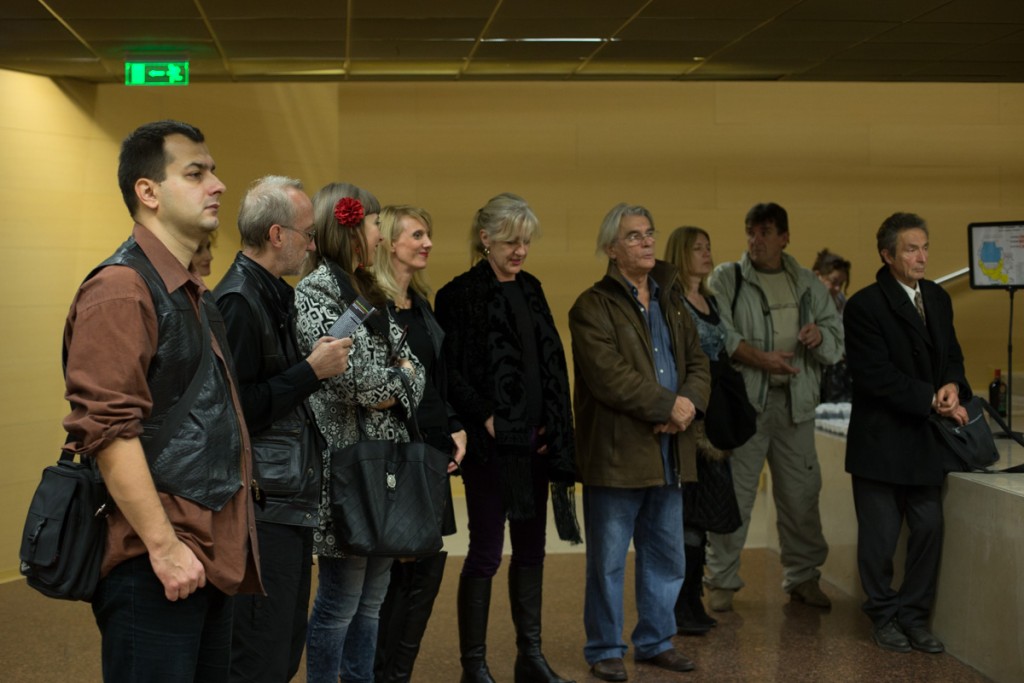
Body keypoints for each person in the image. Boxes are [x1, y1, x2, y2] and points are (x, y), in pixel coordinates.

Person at [62, 119, 261, 681]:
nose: (218, 185)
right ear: (148, 192)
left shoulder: (186, 288)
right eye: (195, 174)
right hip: (155, 559)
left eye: (213, 171)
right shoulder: (121, 288)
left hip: (203, 553)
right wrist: (164, 546)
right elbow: (109, 432)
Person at [434, 192, 580, 683]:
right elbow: (450, 373)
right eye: (511, 241)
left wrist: (554, 424)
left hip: (535, 444)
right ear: (485, 239)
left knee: (533, 550)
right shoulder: (458, 295)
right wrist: (486, 417)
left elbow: (551, 364)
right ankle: (474, 666)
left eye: (526, 242)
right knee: (486, 553)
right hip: (492, 448)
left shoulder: (532, 287)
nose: (520, 251)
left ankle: (529, 657)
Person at [212, 176, 353, 682]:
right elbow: (235, 412)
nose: (313, 245)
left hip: (284, 497)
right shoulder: (238, 300)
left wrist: (308, 368)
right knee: (260, 654)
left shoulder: (272, 293)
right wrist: (311, 372)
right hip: (259, 505)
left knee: (284, 647)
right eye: (307, 234)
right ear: (277, 235)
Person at [569, 204, 710, 681]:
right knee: (608, 561)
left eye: (649, 233)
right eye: (634, 236)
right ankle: (605, 647)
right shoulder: (592, 306)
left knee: (667, 556)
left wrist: (688, 405)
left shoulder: (672, 299)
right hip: (617, 455)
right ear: (612, 249)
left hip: (670, 451)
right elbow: (609, 377)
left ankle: (655, 640)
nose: (647, 242)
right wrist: (668, 406)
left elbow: (699, 363)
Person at [295, 182, 424, 683]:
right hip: (346, 469)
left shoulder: (369, 288)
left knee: (372, 602)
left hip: (385, 464)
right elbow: (356, 382)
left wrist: (395, 380)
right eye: (374, 224)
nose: (380, 235)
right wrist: (397, 380)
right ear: (348, 228)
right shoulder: (315, 293)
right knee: (341, 603)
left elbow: (414, 367)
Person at [705, 202, 843, 613]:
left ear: (785, 237)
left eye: (765, 232)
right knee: (735, 497)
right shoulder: (728, 279)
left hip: (796, 406)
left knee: (801, 496)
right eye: (750, 232)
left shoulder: (807, 283)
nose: (756, 240)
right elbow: (719, 333)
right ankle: (721, 581)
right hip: (745, 408)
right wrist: (761, 359)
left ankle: (803, 577)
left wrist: (820, 336)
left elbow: (836, 339)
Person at [844, 212, 969, 654]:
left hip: (923, 440)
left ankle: (914, 617)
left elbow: (952, 355)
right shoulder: (864, 306)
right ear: (887, 255)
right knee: (878, 542)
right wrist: (930, 397)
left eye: (925, 247)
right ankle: (883, 615)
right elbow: (874, 376)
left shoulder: (936, 297)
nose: (922, 257)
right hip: (880, 441)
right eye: (911, 249)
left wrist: (952, 385)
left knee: (929, 529)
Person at [365, 204, 468, 682]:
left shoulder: (421, 305)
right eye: (417, 235)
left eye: (429, 235)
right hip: (390, 457)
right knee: (389, 573)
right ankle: (372, 671)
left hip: (429, 454)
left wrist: (454, 425)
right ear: (388, 242)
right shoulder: (371, 306)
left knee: (424, 569)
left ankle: (396, 674)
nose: (427, 243)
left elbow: (435, 380)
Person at [663, 225, 740, 636]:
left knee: (705, 516)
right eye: (698, 248)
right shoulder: (672, 301)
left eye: (709, 247)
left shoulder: (711, 299)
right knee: (687, 517)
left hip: (715, 424)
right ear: (681, 253)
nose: (707, 254)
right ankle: (681, 603)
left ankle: (694, 597)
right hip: (689, 423)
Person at [813, 249, 853, 403]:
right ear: (817, 276)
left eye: (841, 284)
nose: (837, 288)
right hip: (817, 373)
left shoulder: (841, 302)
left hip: (840, 373)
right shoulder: (805, 304)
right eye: (833, 282)